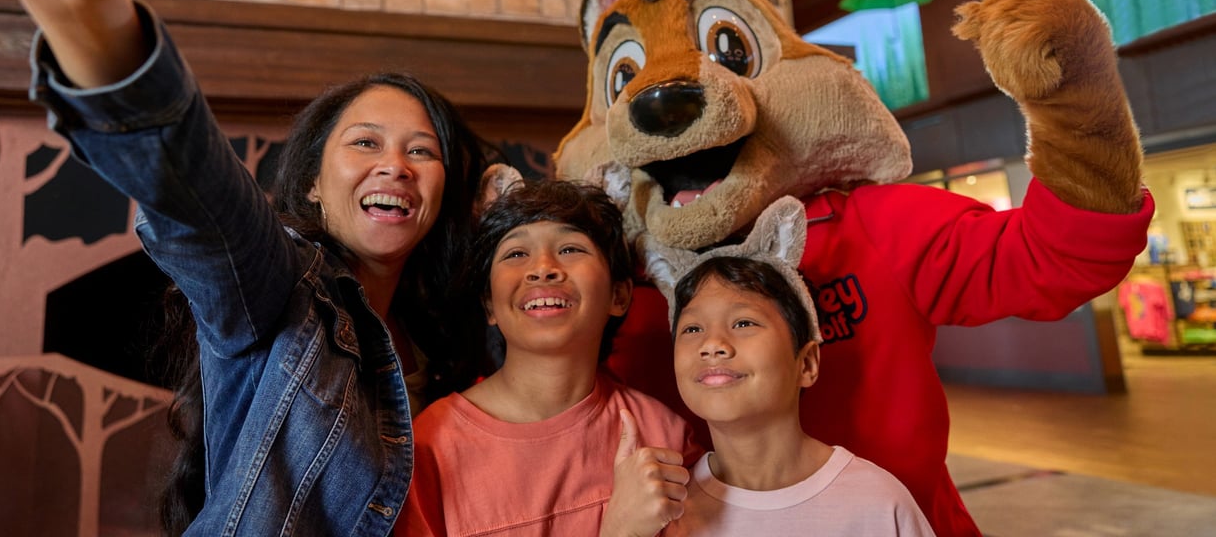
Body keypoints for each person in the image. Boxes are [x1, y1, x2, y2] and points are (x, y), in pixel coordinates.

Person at [0, 0, 491, 534]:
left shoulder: (455, 340)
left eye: (421, 151)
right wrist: (87, 18)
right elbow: (200, 205)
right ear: (313, 185)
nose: (395, 164)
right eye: (364, 143)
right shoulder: (279, 292)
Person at [394, 180, 701, 537]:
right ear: (489, 305)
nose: (542, 268)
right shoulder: (429, 448)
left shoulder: (665, 436)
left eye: (570, 249)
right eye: (515, 254)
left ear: (618, 296)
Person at [663, 256, 935, 536]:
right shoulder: (665, 508)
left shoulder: (879, 504)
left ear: (806, 364)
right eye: (692, 329)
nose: (711, 345)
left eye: (743, 323)